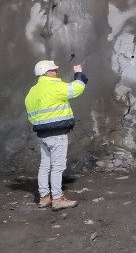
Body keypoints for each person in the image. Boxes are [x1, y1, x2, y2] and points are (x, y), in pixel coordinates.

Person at [25, 60, 87, 211]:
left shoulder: (32, 91)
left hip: (42, 134)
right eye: (54, 70)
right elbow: (76, 89)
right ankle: (58, 199)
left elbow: (31, 115)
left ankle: (44, 198)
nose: (56, 72)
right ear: (47, 72)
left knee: (45, 166)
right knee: (58, 167)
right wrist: (79, 73)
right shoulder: (54, 86)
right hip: (57, 133)